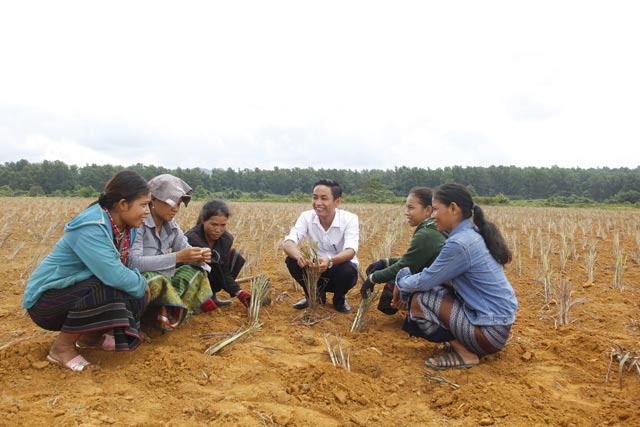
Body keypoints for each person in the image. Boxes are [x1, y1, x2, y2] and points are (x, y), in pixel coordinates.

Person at [22, 170, 152, 371]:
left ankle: (91, 337)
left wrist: (140, 287)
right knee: (113, 286)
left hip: (77, 291)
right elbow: (113, 275)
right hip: (46, 302)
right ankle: (61, 348)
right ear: (123, 204)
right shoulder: (91, 226)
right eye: (143, 205)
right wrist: (142, 284)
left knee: (135, 292)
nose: (147, 211)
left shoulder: (128, 228)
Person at [395, 183, 517, 370]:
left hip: (490, 332)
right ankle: (464, 343)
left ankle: (465, 353)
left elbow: (425, 280)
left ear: (453, 208)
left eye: (436, 209)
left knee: (420, 299)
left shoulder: (460, 243)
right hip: (497, 325)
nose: (433, 215)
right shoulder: (471, 234)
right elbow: (438, 277)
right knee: (433, 289)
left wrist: (400, 282)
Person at [127, 174, 214, 331]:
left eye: (179, 204)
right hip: (141, 281)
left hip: (164, 278)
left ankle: (169, 317)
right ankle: (144, 319)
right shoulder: (139, 223)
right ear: (153, 200)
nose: (175, 208)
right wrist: (177, 257)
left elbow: (184, 248)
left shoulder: (171, 225)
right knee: (155, 280)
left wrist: (199, 256)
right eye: (171, 202)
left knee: (196, 272)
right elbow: (134, 263)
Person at [360, 187, 447, 314]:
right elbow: (416, 259)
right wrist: (385, 262)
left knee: (399, 278)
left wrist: (373, 278)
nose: (406, 212)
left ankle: (417, 308)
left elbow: (407, 264)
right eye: (406, 207)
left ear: (428, 210)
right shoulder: (434, 227)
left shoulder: (426, 234)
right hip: (442, 281)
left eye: (411, 208)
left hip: (443, 288)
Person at [283, 179, 359, 313]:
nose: (318, 203)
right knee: (292, 260)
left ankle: (339, 299)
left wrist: (330, 260)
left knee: (348, 270)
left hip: (338, 267)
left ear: (337, 202)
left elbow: (350, 250)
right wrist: (299, 256)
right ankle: (313, 295)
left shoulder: (350, 219)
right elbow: (289, 242)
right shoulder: (306, 217)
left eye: (324, 198)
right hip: (315, 267)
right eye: (315, 197)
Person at [185, 199, 252, 309]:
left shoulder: (226, 239)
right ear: (203, 220)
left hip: (214, 272)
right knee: (207, 265)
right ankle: (198, 297)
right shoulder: (192, 238)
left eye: (223, 225)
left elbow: (223, 270)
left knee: (235, 257)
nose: (218, 230)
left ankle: (212, 295)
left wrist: (238, 292)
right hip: (193, 278)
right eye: (214, 224)